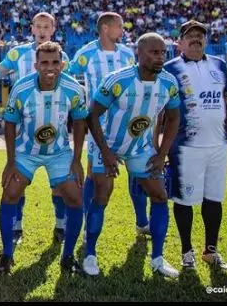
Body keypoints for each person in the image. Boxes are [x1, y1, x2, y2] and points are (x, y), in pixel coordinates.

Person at [83, 33, 181, 278]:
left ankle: (158, 258)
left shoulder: (169, 82)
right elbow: (92, 115)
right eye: (154, 52)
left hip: (140, 147)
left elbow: (174, 117)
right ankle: (90, 254)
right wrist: (105, 152)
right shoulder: (117, 80)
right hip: (106, 145)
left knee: (160, 195)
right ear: (139, 53)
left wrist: (161, 154)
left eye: (163, 53)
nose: (160, 57)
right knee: (102, 195)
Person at [0, 42, 87, 274]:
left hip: (59, 153)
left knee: (76, 198)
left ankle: (67, 257)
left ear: (62, 64)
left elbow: (79, 123)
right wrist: (10, 161)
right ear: (35, 64)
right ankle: (7, 254)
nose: (50, 67)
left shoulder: (74, 88)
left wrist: (76, 159)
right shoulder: (21, 88)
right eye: (44, 62)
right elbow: (9, 124)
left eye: (55, 62)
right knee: (10, 195)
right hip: (26, 152)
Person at [68, 13, 148, 241]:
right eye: (119, 26)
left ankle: (142, 222)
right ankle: (86, 224)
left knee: (136, 170)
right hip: (98, 124)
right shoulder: (86, 53)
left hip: (128, 121)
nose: (122, 31)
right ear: (105, 28)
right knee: (95, 173)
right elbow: (68, 74)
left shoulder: (126, 53)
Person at [163, 20, 227, 271]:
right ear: (179, 42)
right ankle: (186, 252)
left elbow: (223, 98)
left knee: (214, 199)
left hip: (218, 145)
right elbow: (163, 111)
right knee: (184, 200)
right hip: (185, 148)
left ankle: (210, 251)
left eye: (200, 35)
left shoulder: (220, 65)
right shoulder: (169, 68)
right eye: (189, 35)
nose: (195, 38)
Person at [0, 12, 70, 245]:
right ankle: (16, 226)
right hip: (22, 126)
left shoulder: (61, 55)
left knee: (59, 184)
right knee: (19, 182)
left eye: (46, 26)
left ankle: (61, 225)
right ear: (31, 29)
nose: (41, 30)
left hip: (51, 125)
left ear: (53, 28)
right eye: (38, 26)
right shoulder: (17, 53)